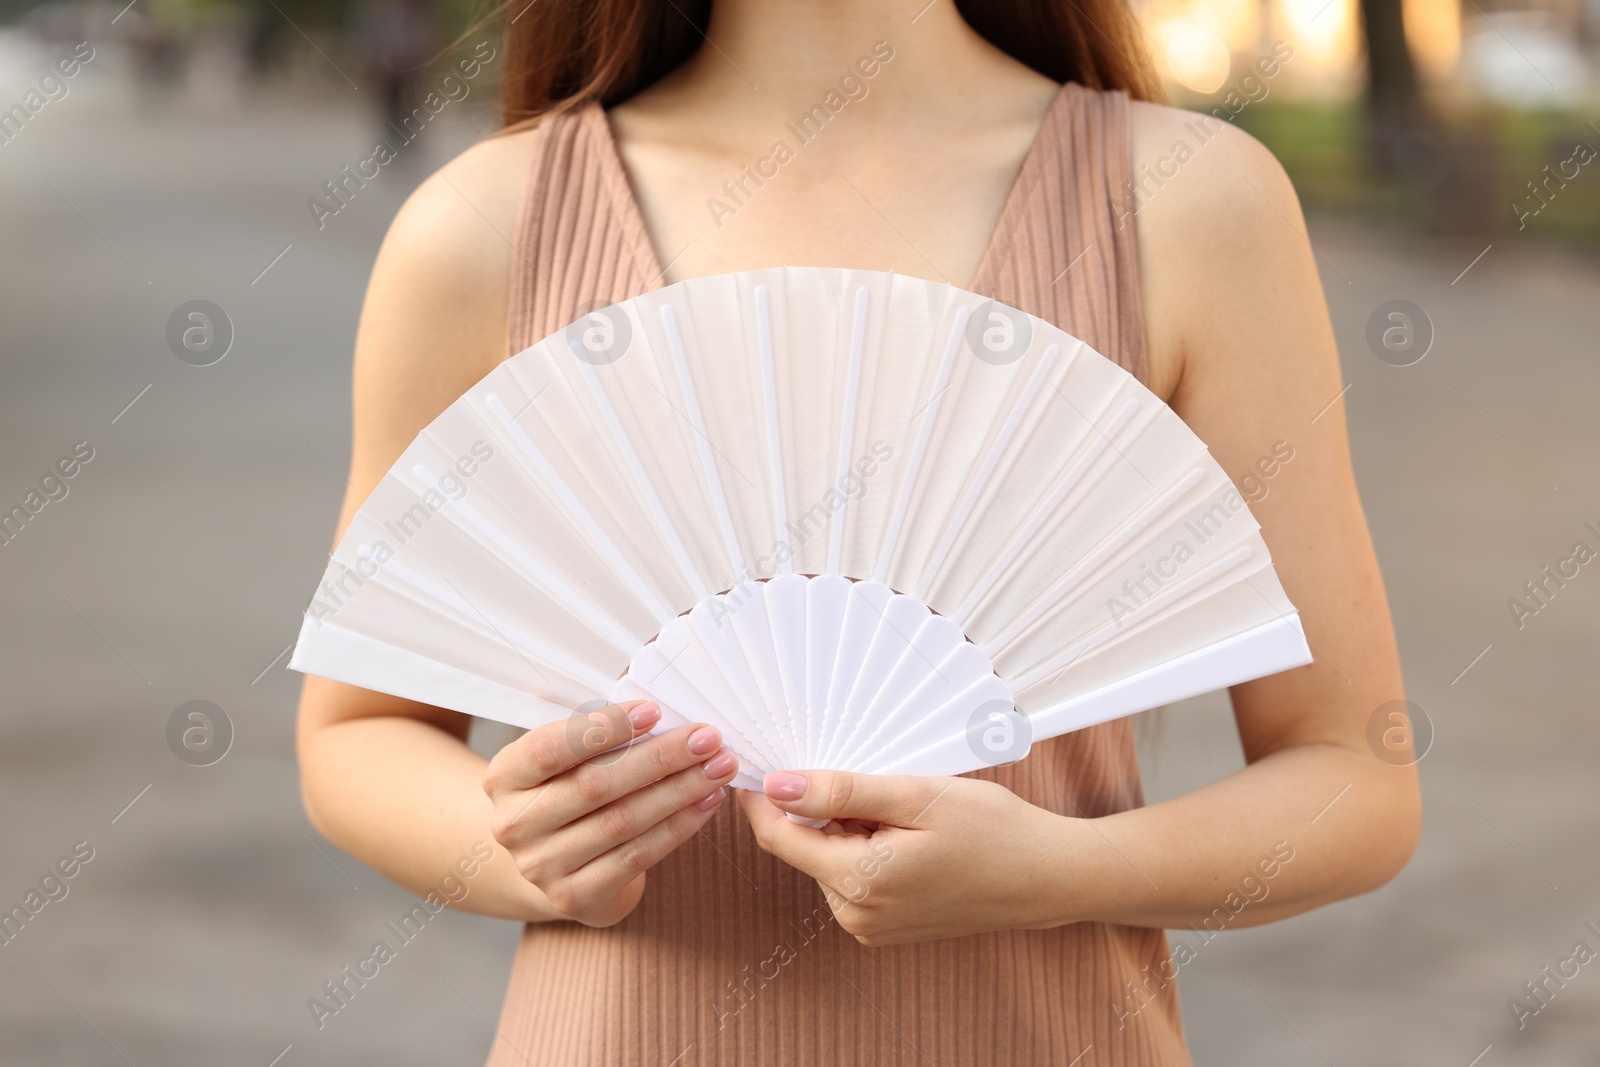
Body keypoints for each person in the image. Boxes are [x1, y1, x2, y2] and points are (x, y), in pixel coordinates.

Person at [296, 1, 1421, 1063]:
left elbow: (1354, 778)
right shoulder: (482, 229)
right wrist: (528, 849)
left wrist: (1059, 868)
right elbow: (354, 732)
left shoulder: (1185, 202)